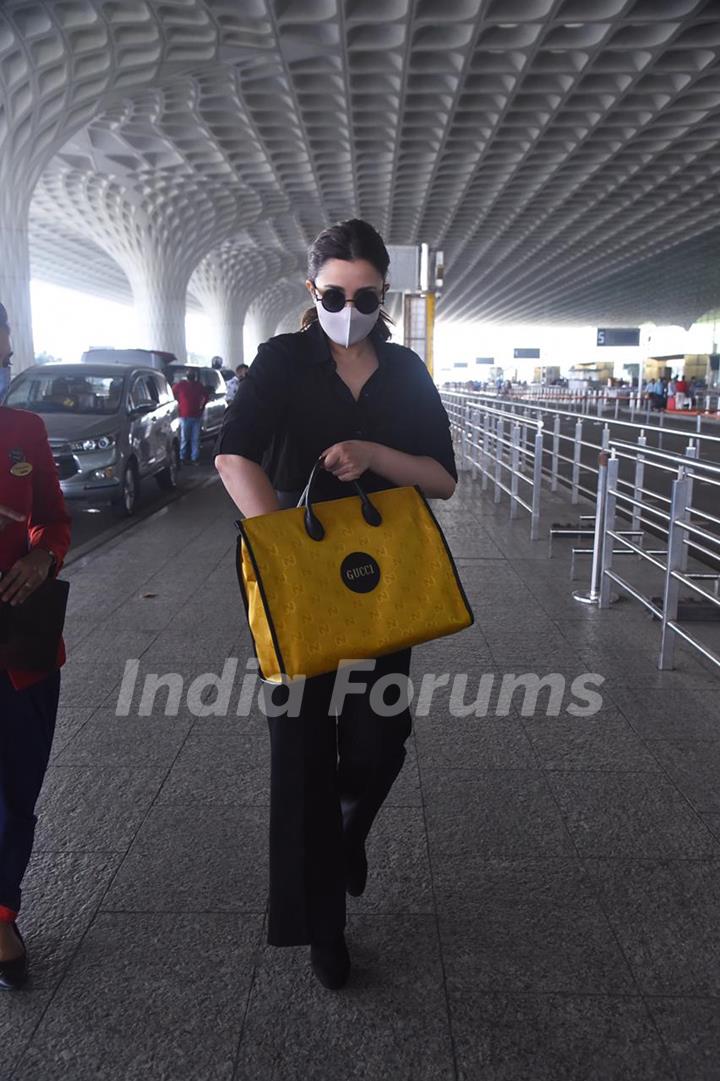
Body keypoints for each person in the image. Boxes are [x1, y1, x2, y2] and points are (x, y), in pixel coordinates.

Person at [215, 219, 457, 991]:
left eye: (365, 295)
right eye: (333, 293)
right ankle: (323, 927)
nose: (349, 307)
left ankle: (349, 833)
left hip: (383, 573)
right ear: (310, 289)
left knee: (382, 739)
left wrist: (376, 454)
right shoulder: (283, 361)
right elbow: (232, 453)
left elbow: (443, 477)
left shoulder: (406, 371)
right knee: (303, 755)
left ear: (385, 293)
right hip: (299, 567)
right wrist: (285, 549)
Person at [0, 302, 72, 990]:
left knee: (20, 787)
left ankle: (4, 903)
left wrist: (41, 558)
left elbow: (53, 520)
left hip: (21, 642)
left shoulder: (25, 430)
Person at [172, 369, 209, 464]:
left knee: (194, 439)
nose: (191, 376)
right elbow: (172, 393)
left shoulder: (198, 385)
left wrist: (202, 407)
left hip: (195, 416)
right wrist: (178, 404)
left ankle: (194, 458)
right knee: (185, 438)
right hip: (184, 416)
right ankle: (182, 457)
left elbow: (206, 396)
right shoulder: (181, 385)